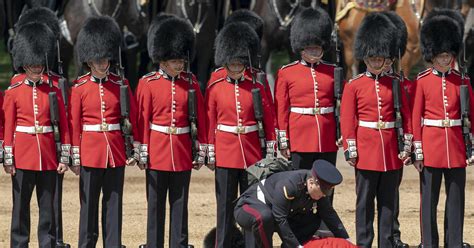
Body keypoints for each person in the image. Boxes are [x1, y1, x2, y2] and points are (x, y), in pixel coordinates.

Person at [340, 12, 413, 247]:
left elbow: (407, 118)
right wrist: (351, 149)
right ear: (365, 57)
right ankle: (364, 243)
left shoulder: (397, 84)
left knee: (388, 203)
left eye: (379, 57)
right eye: (371, 57)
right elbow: (348, 120)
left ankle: (387, 243)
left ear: (388, 58)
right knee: (364, 203)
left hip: (391, 151)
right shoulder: (354, 86)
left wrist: (408, 145)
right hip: (366, 150)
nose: (375, 61)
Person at [137, 15, 207, 248]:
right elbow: (142, 119)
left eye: (181, 60)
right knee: (155, 205)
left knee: (180, 204)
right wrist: (142, 150)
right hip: (157, 151)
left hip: (182, 151)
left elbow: (201, 118)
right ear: (163, 60)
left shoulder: (191, 82)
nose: (180, 64)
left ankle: (179, 244)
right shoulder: (148, 84)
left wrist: (201, 149)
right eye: (175, 61)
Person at [70, 16, 139, 248]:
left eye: (105, 58)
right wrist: (75, 155)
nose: (102, 63)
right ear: (89, 60)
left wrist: (133, 146)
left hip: (115, 152)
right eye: (97, 59)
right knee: (88, 207)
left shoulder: (121, 85)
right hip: (90, 152)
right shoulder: (79, 88)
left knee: (113, 205)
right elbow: (74, 124)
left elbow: (132, 118)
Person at [206, 21, 276, 248]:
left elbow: (268, 116)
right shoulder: (216, 86)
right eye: (232, 64)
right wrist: (209, 149)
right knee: (225, 205)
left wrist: (273, 144)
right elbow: (210, 121)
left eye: (239, 64)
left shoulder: (256, 84)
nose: (236, 68)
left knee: (252, 205)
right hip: (226, 153)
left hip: (251, 152)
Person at [4, 21, 71, 248]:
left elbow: (64, 124)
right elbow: (8, 126)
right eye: (31, 63)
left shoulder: (53, 90)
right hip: (23, 155)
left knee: (48, 209)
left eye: (39, 63)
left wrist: (64, 156)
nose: (35, 66)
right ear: (25, 62)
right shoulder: (13, 92)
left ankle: (48, 244)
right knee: (20, 208)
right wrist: (8, 158)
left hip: (48, 155)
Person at [413, 9, 473, 248]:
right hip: (431, 146)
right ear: (432, 55)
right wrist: (417, 149)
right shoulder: (423, 80)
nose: (445, 59)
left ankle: (454, 243)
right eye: (440, 55)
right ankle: (429, 243)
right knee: (429, 200)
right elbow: (416, 117)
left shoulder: (463, 81)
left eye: (448, 55)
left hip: (456, 147)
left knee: (456, 200)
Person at [234, 159, 350, 248]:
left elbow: (329, 214)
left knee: (312, 219)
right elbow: (280, 219)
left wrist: (346, 239)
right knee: (264, 217)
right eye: (321, 193)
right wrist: (296, 246)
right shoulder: (290, 185)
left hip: (278, 213)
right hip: (249, 206)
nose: (322, 196)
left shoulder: (318, 189)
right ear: (311, 182)